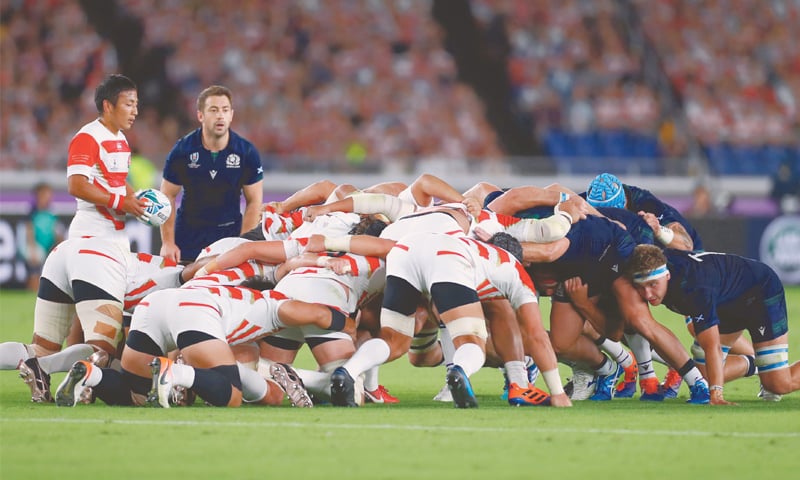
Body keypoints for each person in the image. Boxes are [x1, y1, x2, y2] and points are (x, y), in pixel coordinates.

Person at [625, 245, 799, 404]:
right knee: (702, 377)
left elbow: (712, 346)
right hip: (726, 299)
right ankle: (754, 364)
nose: (647, 294)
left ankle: (768, 372)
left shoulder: (695, 289)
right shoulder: (658, 262)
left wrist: (716, 394)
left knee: (778, 385)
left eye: (652, 285)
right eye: (641, 287)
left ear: (667, 275)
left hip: (761, 292)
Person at [160, 85, 264, 263]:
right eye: (213, 110)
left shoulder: (246, 152)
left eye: (225, 110)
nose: (220, 116)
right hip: (188, 237)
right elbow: (167, 195)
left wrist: (244, 243)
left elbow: (254, 201)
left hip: (228, 238)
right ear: (200, 115)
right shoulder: (182, 150)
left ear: (231, 115)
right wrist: (168, 243)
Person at [66, 74, 148, 247]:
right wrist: (121, 202)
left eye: (136, 105)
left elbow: (116, 182)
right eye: (128, 104)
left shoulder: (122, 139)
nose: (135, 111)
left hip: (117, 235)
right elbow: (76, 185)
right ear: (108, 106)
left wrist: (138, 201)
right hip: (91, 233)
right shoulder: (87, 137)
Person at [20, 182, 64, 291]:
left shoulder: (52, 212)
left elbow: (56, 231)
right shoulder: (31, 212)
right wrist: (32, 248)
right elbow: (29, 231)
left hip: (48, 246)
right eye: (45, 194)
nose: (48, 197)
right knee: (35, 270)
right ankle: (32, 291)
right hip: (36, 246)